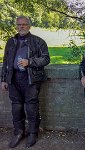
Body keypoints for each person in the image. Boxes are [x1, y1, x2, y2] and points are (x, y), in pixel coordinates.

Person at [1, 16, 50, 148]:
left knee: (31, 107)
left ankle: (33, 133)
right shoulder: (11, 42)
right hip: (13, 79)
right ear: (16, 26)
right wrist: (4, 79)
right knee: (16, 108)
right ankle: (18, 133)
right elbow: (6, 61)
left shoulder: (38, 41)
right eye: (19, 24)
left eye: (24, 24)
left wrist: (30, 62)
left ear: (29, 26)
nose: (21, 27)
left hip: (31, 79)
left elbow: (46, 59)